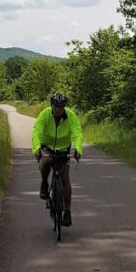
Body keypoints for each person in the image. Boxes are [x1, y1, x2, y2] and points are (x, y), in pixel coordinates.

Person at [32, 92, 83, 227]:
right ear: (51, 105)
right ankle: (44, 183)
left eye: (61, 107)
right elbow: (36, 132)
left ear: (64, 107)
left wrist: (78, 149)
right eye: (56, 106)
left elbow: (77, 133)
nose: (58, 109)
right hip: (46, 146)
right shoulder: (45, 114)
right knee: (46, 161)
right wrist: (37, 149)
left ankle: (67, 211)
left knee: (65, 177)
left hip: (63, 149)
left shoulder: (70, 116)